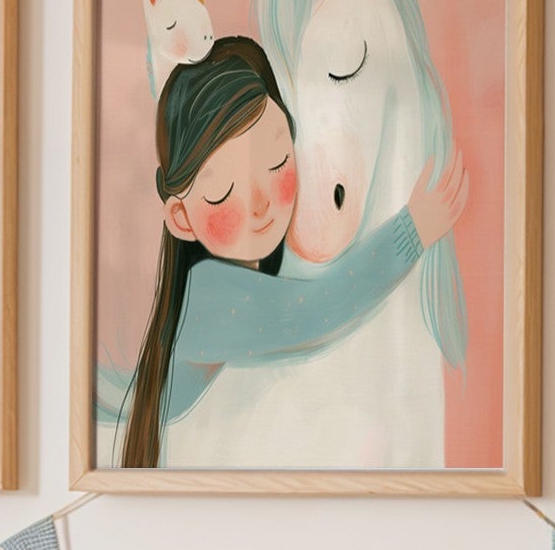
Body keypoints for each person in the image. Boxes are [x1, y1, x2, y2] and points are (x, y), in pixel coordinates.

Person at [120, 37, 467, 468]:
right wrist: (411, 231)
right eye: (223, 191)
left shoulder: (259, 279)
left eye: (276, 161)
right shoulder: (206, 295)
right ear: (181, 217)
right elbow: (316, 310)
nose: (260, 202)